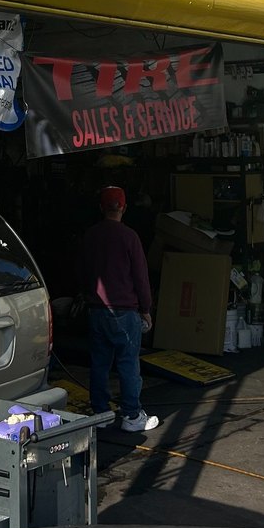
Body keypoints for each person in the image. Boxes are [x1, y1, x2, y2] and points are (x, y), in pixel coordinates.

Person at [79, 185, 159, 432]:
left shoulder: (90, 235)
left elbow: (81, 271)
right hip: (124, 310)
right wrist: (146, 308)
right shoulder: (129, 237)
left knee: (100, 364)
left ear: (101, 208)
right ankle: (132, 416)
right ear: (124, 208)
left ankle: (101, 414)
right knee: (128, 364)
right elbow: (140, 277)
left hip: (96, 309)